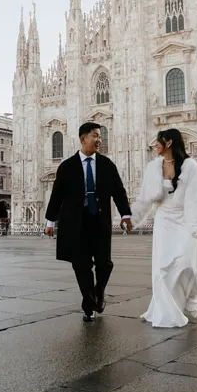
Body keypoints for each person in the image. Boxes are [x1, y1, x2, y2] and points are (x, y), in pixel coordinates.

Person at [45, 122, 133, 321]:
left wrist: (125, 214)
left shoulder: (107, 164)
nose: (99, 140)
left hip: (99, 219)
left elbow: (118, 191)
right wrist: (50, 222)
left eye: (100, 136)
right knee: (81, 264)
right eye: (95, 135)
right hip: (76, 222)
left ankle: (98, 292)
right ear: (83, 138)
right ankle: (88, 303)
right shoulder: (67, 166)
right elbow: (56, 196)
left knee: (105, 263)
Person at [130, 129, 197, 328]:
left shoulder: (190, 167)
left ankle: (187, 300)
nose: (155, 145)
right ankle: (166, 310)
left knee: (186, 263)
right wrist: (132, 218)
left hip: (184, 219)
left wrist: (196, 225)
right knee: (163, 268)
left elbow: (195, 199)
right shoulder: (153, 167)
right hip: (164, 220)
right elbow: (145, 199)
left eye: (158, 141)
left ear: (169, 142)